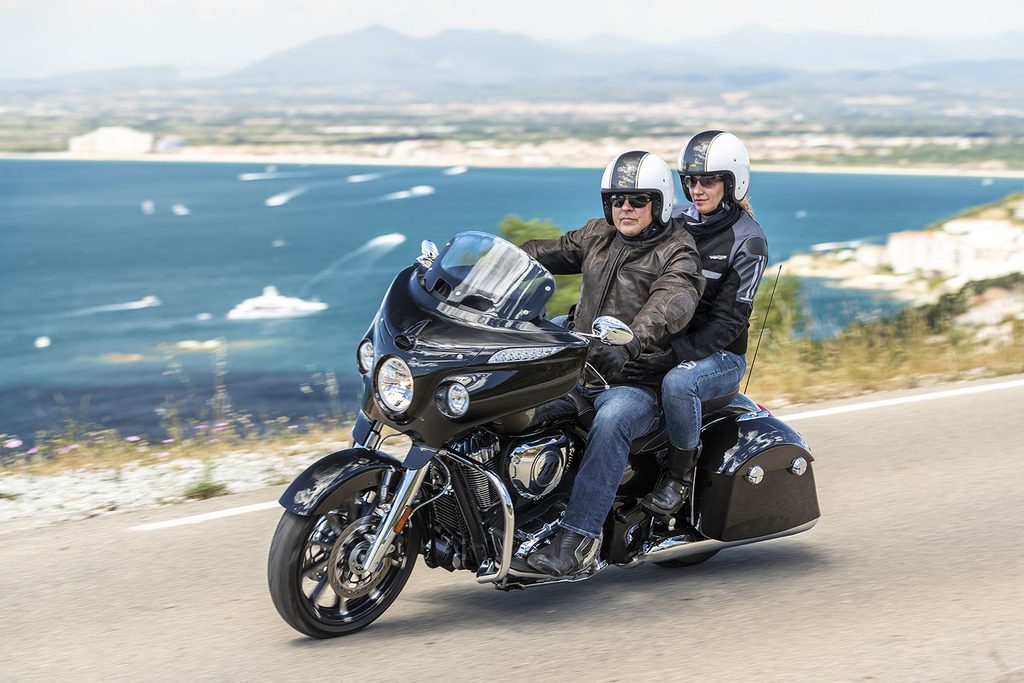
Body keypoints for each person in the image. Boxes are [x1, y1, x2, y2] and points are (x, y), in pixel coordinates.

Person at [518, 150, 704, 576]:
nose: (625, 208)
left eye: (638, 200)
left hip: (638, 382)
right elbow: (544, 252)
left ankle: (576, 540)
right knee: (511, 405)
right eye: (617, 200)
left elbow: (672, 303)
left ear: (659, 203)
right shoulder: (598, 235)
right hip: (581, 371)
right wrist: (487, 266)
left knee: (613, 420)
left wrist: (631, 342)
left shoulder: (678, 253)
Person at [621, 131, 769, 516]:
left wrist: (675, 356)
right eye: (689, 180)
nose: (696, 190)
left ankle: (678, 477)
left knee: (678, 383)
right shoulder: (674, 221)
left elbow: (730, 322)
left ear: (732, 182)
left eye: (708, 181)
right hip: (670, 343)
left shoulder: (747, 241)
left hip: (720, 356)